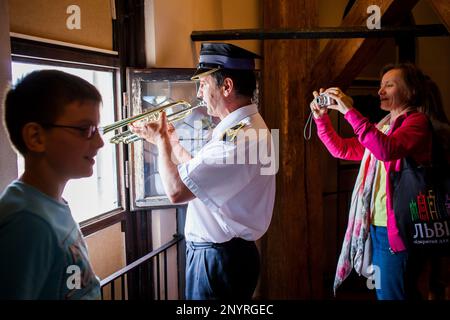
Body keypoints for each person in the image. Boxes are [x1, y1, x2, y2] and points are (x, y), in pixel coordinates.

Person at [130, 42, 276, 300]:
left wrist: (162, 140)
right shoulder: (246, 128)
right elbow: (202, 176)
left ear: (227, 86)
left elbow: (176, 191)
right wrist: (172, 144)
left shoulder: (240, 139)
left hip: (218, 259)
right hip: (225, 256)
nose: (199, 93)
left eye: (203, 84)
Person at [310, 63, 449, 300]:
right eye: (380, 85)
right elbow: (342, 149)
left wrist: (347, 111)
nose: (380, 91)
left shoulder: (416, 123)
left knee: (393, 295)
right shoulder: (383, 126)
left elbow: (386, 149)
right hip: (375, 225)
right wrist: (322, 119)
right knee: (389, 292)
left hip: (398, 229)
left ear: (410, 91)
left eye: (389, 85)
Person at [0, 70, 104, 299]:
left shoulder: (50, 203)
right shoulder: (27, 223)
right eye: (85, 130)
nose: (100, 142)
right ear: (36, 137)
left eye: (97, 129)